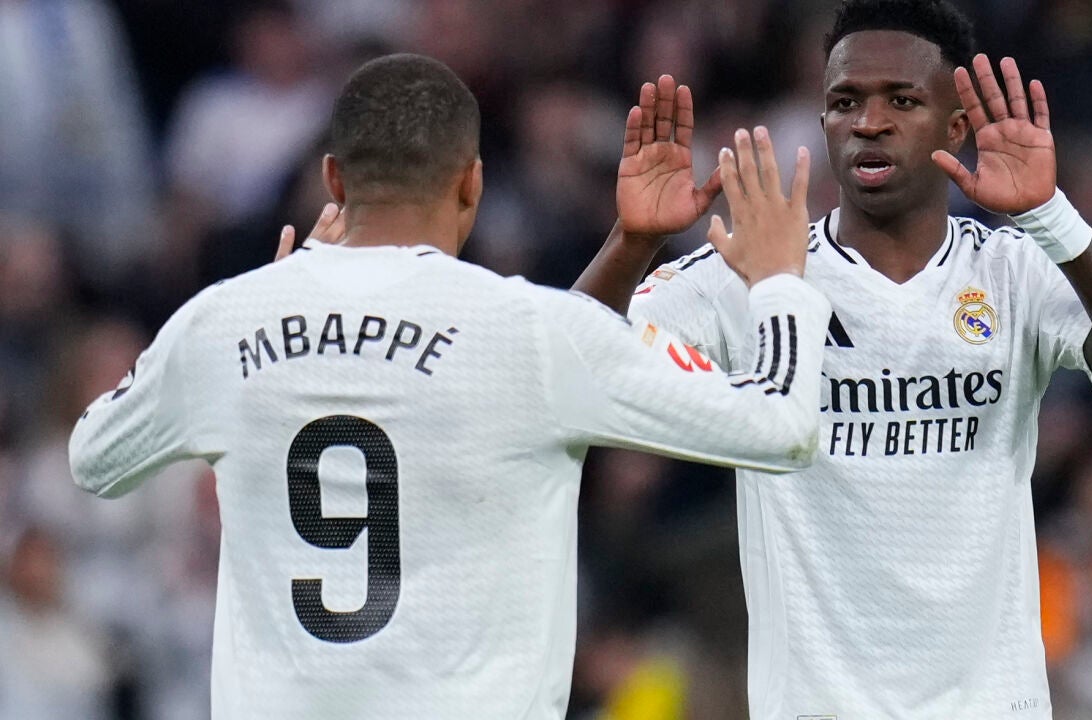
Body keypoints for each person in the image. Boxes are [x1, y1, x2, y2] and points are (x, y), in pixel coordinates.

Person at [68, 53, 831, 720]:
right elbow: (779, 428)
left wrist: (267, 302)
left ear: (332, 177)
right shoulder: (527, 332)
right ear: (472, 182)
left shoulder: (221, 323)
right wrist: (778, 281)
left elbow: (94, 458)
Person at [572, 1, 1092, 718]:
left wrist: (1049, 214)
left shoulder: (1012, 269)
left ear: (955, 126)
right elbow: (568, 366)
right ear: (823, 122)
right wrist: (631, 242)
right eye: (845, 102)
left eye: (902, 100)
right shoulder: (756, 270)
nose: (869, 121)